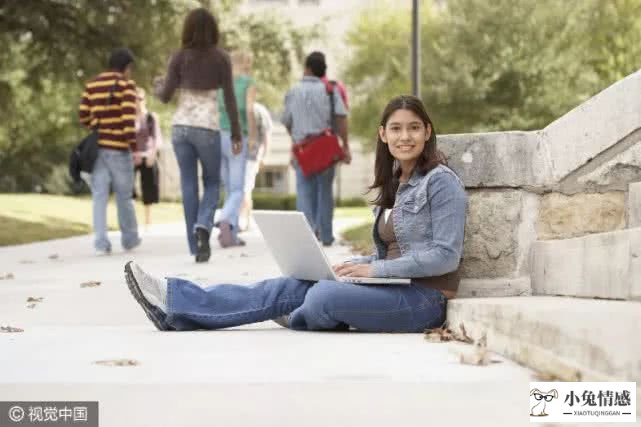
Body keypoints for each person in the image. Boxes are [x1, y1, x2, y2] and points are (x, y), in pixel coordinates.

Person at [123, 95, 468, 333]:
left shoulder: (441, 182)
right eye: (396, 128)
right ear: (383, 134)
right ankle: (174, 304)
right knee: (293, 284)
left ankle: (298, 312)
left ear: (427, 131)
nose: (404, 136)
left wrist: (373, 269)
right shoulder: (395, 182)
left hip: (424, 299)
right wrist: (351, 266)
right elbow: (389, 252)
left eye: (413, 128)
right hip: (392, 286)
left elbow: (444, 257)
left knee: (322, 295)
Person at [154, 7, 242, 263]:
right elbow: (229, 97)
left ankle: (195, 246)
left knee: (189, 185)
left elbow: (166, 95)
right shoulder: (221, 58)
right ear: (213, 29)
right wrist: (236, 133)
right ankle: (203, 224)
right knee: (213, 182)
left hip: (180, 129)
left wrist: (158, 84)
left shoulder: (179, 57)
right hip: (207, 130)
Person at [282, 51, 351, 247]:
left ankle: (308, 237)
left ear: (307, 68)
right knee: (325, 191)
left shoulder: (293, 91)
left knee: (304, 191)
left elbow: (287, 121)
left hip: (302, 149)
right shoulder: (330, 90)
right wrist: (345, 145)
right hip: (325, 150)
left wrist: (295, 139)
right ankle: (327, 235)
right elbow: (341, 118)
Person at [79, 48, 141, 255]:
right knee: (124, 197)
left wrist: (97, 125)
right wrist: (133, 147)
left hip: (97, 151)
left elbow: (83, 116)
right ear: (126, 67)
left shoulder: (92, 85)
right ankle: (130, 239)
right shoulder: (126, 85)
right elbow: (127, 120)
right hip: (119, 148)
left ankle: (101, 243)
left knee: (100, 197)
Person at [216, 51, 257, 247]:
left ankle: (229, 235)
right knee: (238, 189)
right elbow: (249, 110)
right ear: (246, 62)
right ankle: (225, 218)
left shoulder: (220, 83)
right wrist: (254, 136)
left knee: (229, 188)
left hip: (218, 136)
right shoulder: (247, 82)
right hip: (237, 137)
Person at [238, 101, 273, 232]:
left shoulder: (256, 110)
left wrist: (265, 155)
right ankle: (246, 221)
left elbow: (266, 135)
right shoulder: (260, 109)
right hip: (250, 156)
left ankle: (243, 221)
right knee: (246, 190)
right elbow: (266, 135)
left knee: (243, 189)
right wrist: (265, 156)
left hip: (244, 157)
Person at [133, 88, 163, 228]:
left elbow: (157, 138)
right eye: (134, 99)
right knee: (128, 189)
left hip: (147, 156)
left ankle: (147, 221)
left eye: (140, 99)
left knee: (148, 188)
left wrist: (153, 154)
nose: (137, 102)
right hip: (131, 157)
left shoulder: (151, 117)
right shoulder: (128, 118)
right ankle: (131, 220)